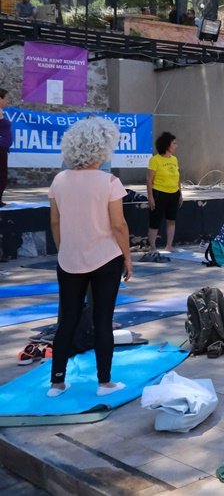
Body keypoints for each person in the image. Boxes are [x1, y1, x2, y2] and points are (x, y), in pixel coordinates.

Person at [47, 118, 132, 398]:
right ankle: (104, 382)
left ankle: (57, 382)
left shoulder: (59, 180)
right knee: (103, 318)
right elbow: (118, 225)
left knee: (68, 318)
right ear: (102, 148)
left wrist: (64, 249)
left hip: (69, 259)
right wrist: (128, 258)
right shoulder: (109, 181)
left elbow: (56, 224)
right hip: (106, 257)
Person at [146, 132, 181, 253]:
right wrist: (150, 197)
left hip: (173, 193)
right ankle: (153, 247)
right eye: (174, 143)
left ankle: (169, 245)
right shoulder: (155, 160)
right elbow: (149, 179)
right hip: (159, 193)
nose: (176, 145)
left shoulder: (174, 160)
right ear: (167, 145)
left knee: (171, 220)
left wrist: (180, 194)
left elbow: (177, 177)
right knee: (155, 221)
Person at [0, 89, 11, 208]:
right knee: (2, 176)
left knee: (2, 175)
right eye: (6, 98)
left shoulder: (1, 111)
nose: (7, 101)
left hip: (2, 148)